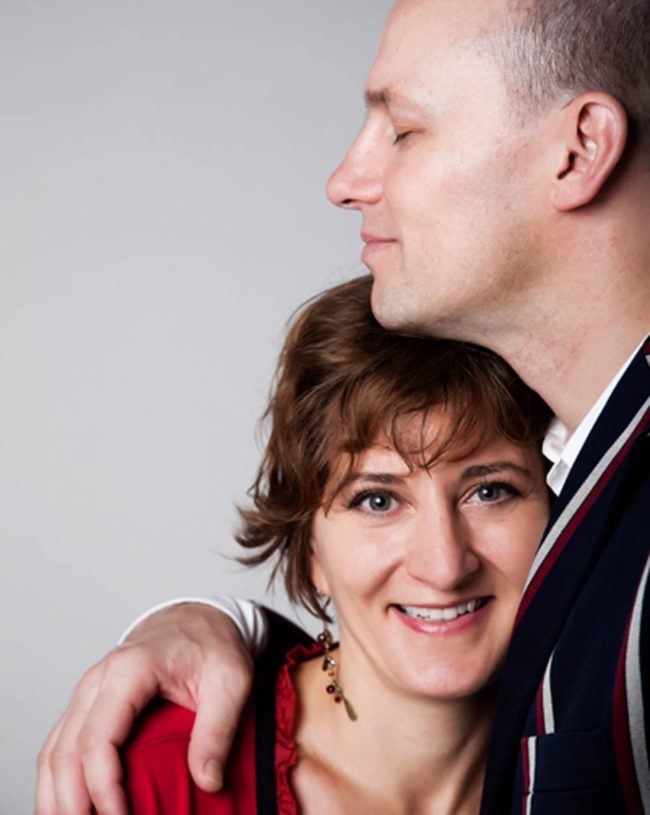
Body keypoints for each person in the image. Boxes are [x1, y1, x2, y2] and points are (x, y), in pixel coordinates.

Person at [36, 0, 649, 815]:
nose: (345, 178)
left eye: (403, 129)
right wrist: (226, 628)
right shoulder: (594, 478)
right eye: (375, 499)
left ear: (579, 146)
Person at [111, 275, 552, 814]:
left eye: (489, 491)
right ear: (311, 547)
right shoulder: (157, 777)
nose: (444, 565)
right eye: (378, 501)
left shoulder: (605, 765)